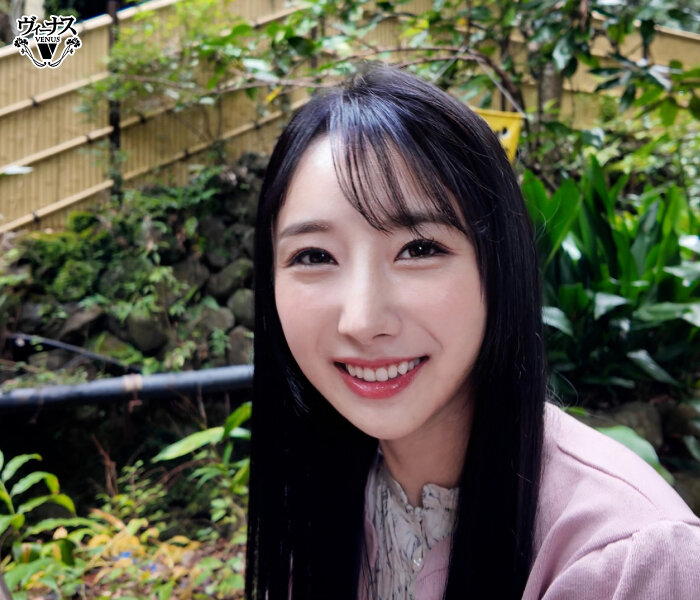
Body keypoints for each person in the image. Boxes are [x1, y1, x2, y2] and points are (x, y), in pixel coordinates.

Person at [244, 63, 700, 599]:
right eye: (314, 255)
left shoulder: (629, 560)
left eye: (419, 249)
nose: (363, 322)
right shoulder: (321, 487)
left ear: (500, 264)